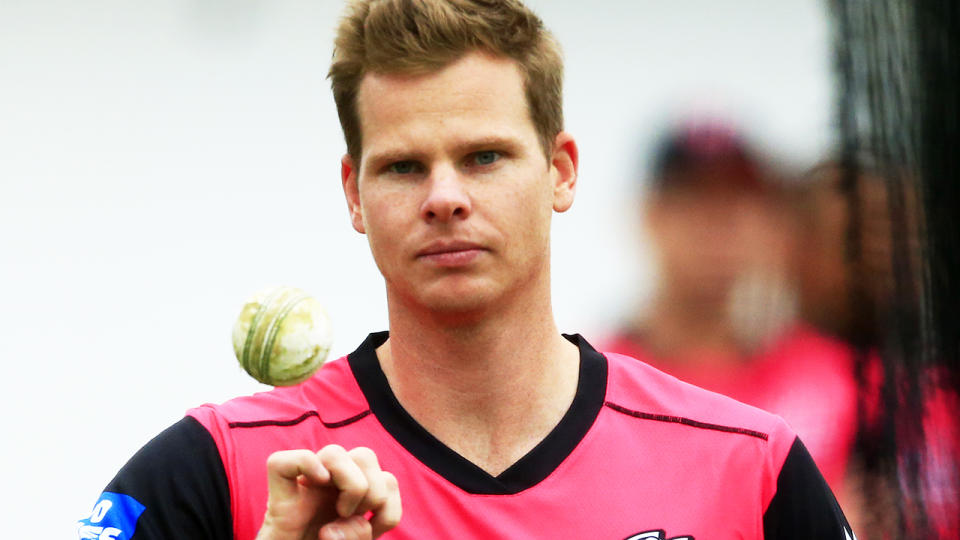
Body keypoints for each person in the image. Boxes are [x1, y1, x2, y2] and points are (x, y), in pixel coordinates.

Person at [78, 1, 855, 539]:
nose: (444, 198)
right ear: (354, 193)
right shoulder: (225, 468)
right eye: (404, 167)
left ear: (560, 170)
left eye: (484, 158)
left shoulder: (747, 464)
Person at [601, 121, 861, 516]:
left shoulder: (833, 376)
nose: (716, 225)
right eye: (694, 200)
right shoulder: (595, 386)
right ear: (649, 215)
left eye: (736, 202)